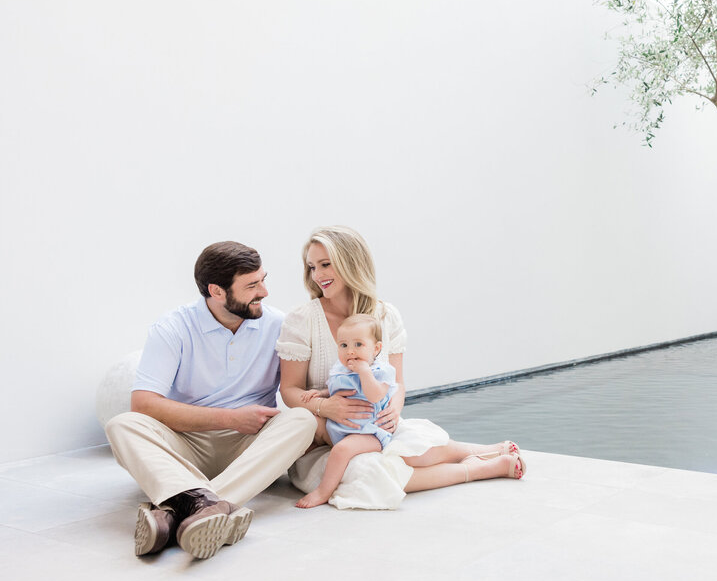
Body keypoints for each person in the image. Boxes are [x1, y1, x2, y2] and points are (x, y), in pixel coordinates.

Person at [277, 226, 523, 503]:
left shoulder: (385, 315)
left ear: (351, 262)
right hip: (326, 440)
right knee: (370, 475)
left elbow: (398, 384)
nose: (318, 275)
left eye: (326, 264)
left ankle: (479, 450)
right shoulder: (301, 319)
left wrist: (393, 410)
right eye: (312, 267)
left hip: (375, 426)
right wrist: (325, 406)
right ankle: (476, 469)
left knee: (417, 445)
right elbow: (289, 390)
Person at [105, 242, 317, 559]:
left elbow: (297, 388)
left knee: (302, 420)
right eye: (252, 285)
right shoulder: (173, 328)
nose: (265, 292)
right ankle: (210, 506)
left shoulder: (279, 325)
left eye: (263, 279)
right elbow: (145, 404)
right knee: (122, 424)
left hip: (249, 445)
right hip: (186, 444)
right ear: (216, 292)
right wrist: (229, 419)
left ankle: (180, 510)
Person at [295, 314, 397, 508]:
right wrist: (321, 393)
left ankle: (323, 491)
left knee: (341, 450)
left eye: (358, 345)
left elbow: (376, 395)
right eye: (344, 346)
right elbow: (338, 390)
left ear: (376, 348)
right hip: (338, 427)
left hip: (368, 431)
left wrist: (364, 372)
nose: (350, 351)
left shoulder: (380, 371)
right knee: (305, 424)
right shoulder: (341, 369)